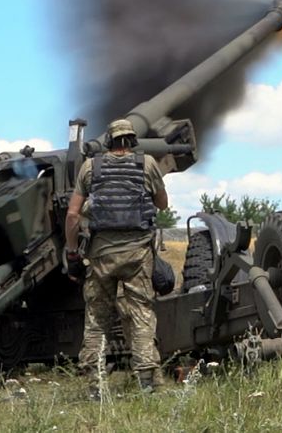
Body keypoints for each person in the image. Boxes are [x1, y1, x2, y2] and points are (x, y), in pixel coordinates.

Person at [64, 119, 169, 392]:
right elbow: (162, 204)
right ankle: (147, 382)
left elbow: (73, 214)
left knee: (97, 319)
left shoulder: (91, 167)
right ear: (133, 140)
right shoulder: (146, 164)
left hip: (101, 256)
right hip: (137, 253)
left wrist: (72, 250)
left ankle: (95, 385)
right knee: (142, 314)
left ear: (109, 140)